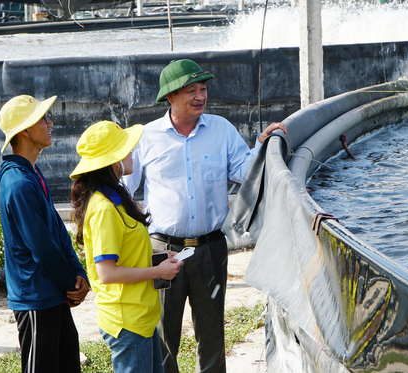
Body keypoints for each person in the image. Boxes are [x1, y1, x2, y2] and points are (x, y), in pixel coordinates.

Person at [123, 59, 287, 373]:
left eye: (203, 89)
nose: (201, 96)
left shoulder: (221, 130)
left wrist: (264, 145)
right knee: (163, 333)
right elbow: (124, 189)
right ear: (169, 97)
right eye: (191, 90)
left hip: (210, 248)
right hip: (161, 250)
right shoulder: (146, 136)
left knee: (211, 334)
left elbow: (244, 171)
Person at [69, 120, 183, 373]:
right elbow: (107, 273)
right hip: (127, 321)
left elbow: (126, 250)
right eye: (127, 148)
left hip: (140, 315)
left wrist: (157, 257)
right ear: (113, 160)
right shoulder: (104, 209)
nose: (132, 153)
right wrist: (158, 271)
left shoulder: (116, 200)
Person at [0, 94, 90, 373]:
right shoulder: (17, 183)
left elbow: (57, 229)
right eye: (43, 119)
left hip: (53, 292)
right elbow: (41, 247)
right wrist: (72, 284)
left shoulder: (32, 173)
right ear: (24, 132)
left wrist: (77, 273)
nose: (50, 123)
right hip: (36, 295)